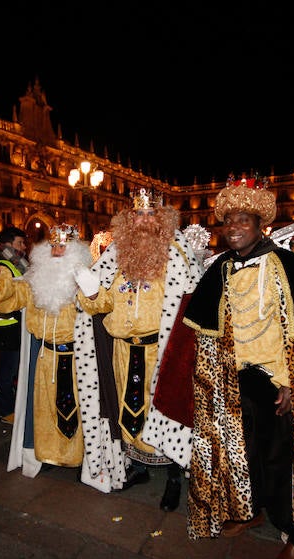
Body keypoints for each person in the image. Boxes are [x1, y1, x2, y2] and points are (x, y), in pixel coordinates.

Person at [180, 178, 294, 559]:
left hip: (277, 381)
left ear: (260, 225)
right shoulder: (220, 267)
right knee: (243, 450)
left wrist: (290, 382)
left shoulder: (288, 266)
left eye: (244, 220)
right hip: (236, 380)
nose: (234, 227)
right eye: (229, 220)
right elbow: (206, 331)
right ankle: (248, 509)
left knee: (285, 460)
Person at [73, 187, 202, 513]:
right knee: (130, 412)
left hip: (161, 352)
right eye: (138, 214)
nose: (144, 220)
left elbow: (190, 303)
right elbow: (102, 303)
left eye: (150, 214)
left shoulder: (176, 254)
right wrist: (92, 293)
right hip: (122, 351)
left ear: (161, 219)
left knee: (166, 411)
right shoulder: (116, 255)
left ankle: (174, 477)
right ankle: (138, 467)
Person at [0, 224, 90, 476]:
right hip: (45, 356)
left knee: (78, 408)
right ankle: (49, 454)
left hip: (78, 357)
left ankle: (79, 456)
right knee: (45, 408)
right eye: (53, 246)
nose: (57, 251)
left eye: (63, 246)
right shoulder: (34, 279)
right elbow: (10, 298)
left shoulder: (87, 278)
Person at [0, 227, 29, 423]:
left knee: (14, 369)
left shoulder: (15, 263)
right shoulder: (2, 266)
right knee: (8, 370)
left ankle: (16, 407)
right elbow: (3, 296)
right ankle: (6, 410)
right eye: (20, 243)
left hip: (16, 324)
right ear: (8, 244)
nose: (24, 246)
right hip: (8, 325)